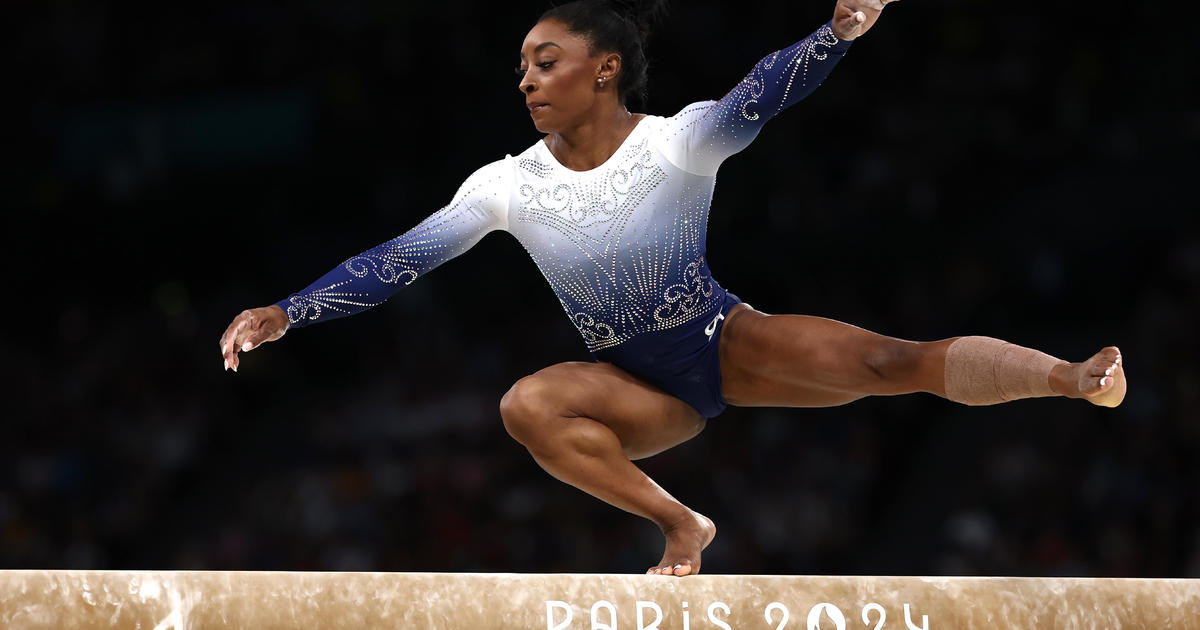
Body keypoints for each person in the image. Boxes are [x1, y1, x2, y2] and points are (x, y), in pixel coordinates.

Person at [219, 0, 1126, 576]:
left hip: (722, 342)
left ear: (605, 67)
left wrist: (837, 31)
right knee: (527, 404)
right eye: (524, 65)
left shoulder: (674, 143)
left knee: (893, 360)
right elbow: (401, 258)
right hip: (638, 390)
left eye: (546, 59)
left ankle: (1070, 377)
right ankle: (683, 524)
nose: (525, 78)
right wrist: (289, 310)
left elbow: (755, 98)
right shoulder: (505, 185)